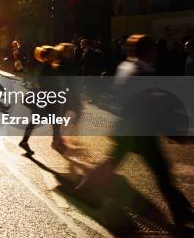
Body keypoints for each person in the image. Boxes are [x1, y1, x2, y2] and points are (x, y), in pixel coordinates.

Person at [79, 35, 193, 228]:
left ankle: (86, 188)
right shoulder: (142, 72)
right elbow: (149, 106)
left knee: (116, 163)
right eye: (154, 49)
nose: (157, 53)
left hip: (128, 128)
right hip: (138, 131)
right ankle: (181, 213)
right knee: (162, 172)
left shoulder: (126, 67)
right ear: (149, 51)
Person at [18, 45, 70, 155]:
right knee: (53, 121)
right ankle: (55, 142)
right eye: (52, 54)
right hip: (45, 99)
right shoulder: (46, 68)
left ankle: (25, 141)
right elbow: (45, 84)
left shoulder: (49, 67)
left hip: (45, 98)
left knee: (44, 121)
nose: (55, 55)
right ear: (47, 56)